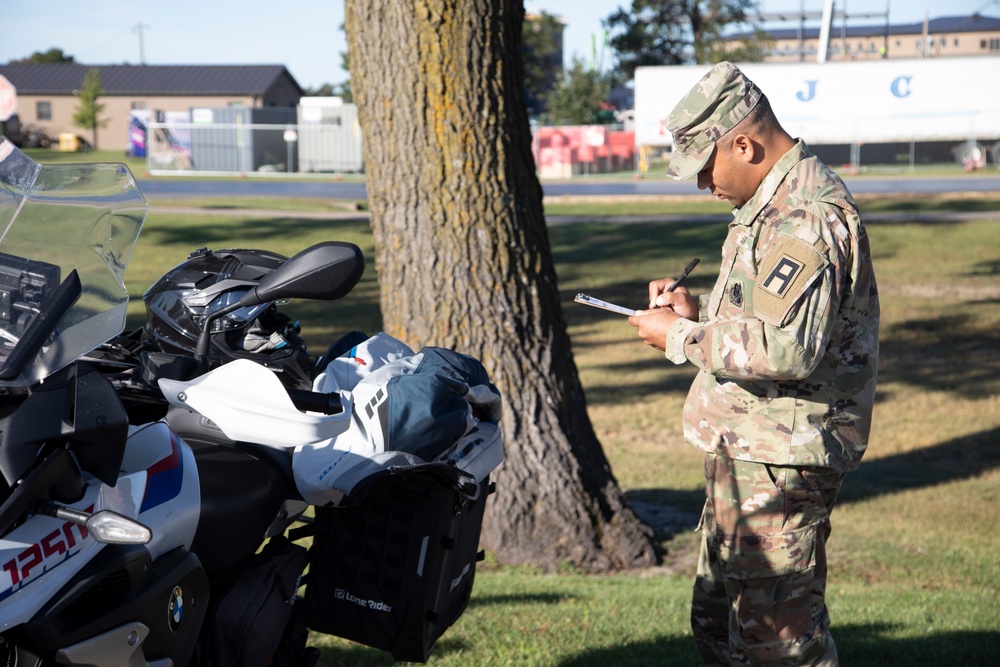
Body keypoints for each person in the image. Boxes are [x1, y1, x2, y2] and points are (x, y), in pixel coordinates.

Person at [628, 62, 879, 666]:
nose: (701, 185)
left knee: (778, 648)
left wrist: (682, 338)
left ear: (745, 143)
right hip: (752, 454)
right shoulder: (772, 206)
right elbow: (765, 320)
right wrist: (699, 314)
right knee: (720, 626)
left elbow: (786, 349)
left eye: (704, 168)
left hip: (781, 465)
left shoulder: (804, 217)